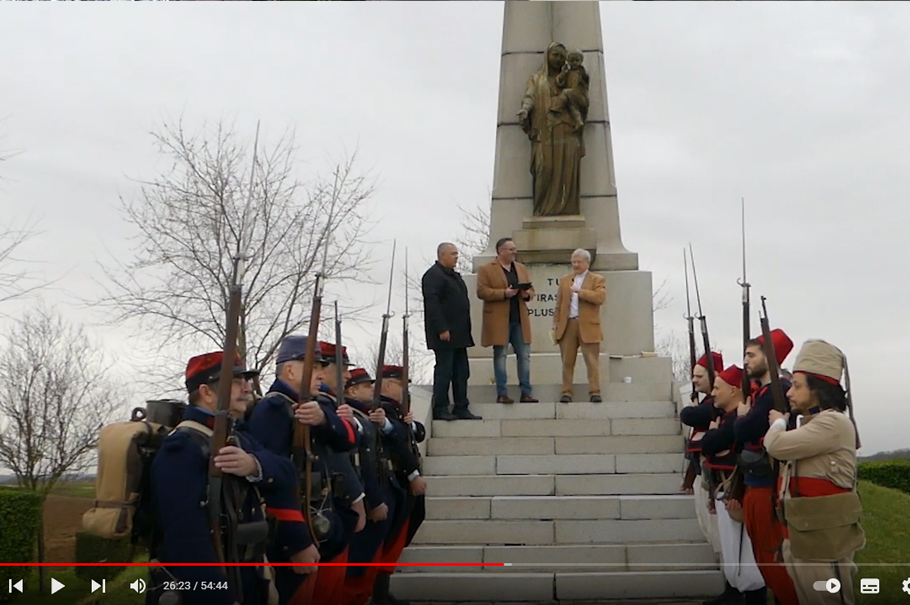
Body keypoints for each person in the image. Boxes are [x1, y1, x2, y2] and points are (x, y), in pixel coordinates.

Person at [147, 351, 298, 605]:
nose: (247, 389)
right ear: (207, 393)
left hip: (245, 576)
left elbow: (287, 473)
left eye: (247, 381)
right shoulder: (182, 449)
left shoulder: (237, 437)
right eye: (237, 382)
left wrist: (253, 464)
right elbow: (187, 543)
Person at [246, 335, 361, 605]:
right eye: (314, 365)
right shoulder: (273, 410)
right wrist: (295, 541)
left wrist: (323, 419)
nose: (321, 372)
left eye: (322, 365)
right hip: (293, 533)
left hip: (319, 524)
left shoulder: (314, 407)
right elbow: (271, 484)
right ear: (289, 370)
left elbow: (349, 440)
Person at [764, 340, 864, 605]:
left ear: (817, 390)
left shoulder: (833, 423)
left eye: (797, 386)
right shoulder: (812, 425)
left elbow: (775, 445)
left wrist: (779, 423)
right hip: (802, 537)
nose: (789, 393)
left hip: (823, 542)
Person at [735, 329, 799, 605]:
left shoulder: (778, 390)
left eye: (751, 355)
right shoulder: (761, 392)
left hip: (767, 486)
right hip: (756, 483)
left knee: (774, 559)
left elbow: (745, 429)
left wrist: (743, 418)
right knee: (765, 559)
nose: (746, 361)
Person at [700, 364, 765, 605]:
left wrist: (713, 436)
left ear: (735, 390)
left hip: (740, 492)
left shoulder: (740, 419)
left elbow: (711, 444)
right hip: (725, 491)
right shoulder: (728, 418)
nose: (713, 393)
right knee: (732, 552)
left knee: (748, 559)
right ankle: (734, 592)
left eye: (718, 388)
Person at [341, 367, 404, 605]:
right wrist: (374, 500)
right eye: (367, 385)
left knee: (369, 558)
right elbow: (361, 461)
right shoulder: (355, 416)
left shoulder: (368, 415)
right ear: (353, 390)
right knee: (356, 564)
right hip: (364, 494)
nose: (372, 389)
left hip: (381, 487)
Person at [371, 364, 427, 605]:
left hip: (401, 482)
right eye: (401, 384)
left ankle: (382, 592)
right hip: (395, 480)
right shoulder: (382, 409)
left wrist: (411, 424)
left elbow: (418, 433)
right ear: (389, 385)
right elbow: (397, 443)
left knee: (397, 537)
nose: (405, 389)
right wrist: (412, 474)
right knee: (389, 539)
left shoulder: (395, 409)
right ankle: (378, 594)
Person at [518, 41, 587, 216]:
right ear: (547, 56)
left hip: (567, 130)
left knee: (566, 174)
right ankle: (542, 211)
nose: (558, 59)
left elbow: (583, 100)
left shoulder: (571, 77)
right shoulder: (537, 79)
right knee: (545, 169)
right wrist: (525, 110)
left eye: (561, 57)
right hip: (543, 132)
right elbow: (529, 96)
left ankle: (567, 211)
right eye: (554, 55)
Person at [421, 242, 480, 420]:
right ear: (442, 255)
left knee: (462, 371)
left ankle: (461, 406)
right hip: (445, 334)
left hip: (460, 334)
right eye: (453, 254)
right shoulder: (433, 276)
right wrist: (442, 328)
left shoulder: (454, 276)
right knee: (444, 371)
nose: (456, 257)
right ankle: (441, 408)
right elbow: (433, 305)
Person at [476, 237, 538, 404]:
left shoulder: (521, 268)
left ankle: (526, 393)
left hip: (519, 319)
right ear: (500, 251)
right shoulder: (486, 269)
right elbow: (481, 291)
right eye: (510, 249)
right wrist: (503, 293)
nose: (514, 252)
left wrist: (527, 295)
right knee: (500, 355)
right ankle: (502, 393)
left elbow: (531, 290)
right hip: (499, 320)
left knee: (524, 355)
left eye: (514, 249)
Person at [679, 351, 723, 554]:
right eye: (693, 376)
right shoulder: (706, 402)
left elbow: (688, 415)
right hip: (702, 473)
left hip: (714, 476)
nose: (694, 380)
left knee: (719, 533)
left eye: (700, 376)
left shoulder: (714, 404)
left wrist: (693, 409)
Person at [552, 248, 606, 403]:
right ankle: (566, 392)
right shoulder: (565, 280)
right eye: (573, 262)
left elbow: (600, 298)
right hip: (568, 324)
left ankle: (595, 391)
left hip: (588, 326)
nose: (575, 265)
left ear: (587, 263)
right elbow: (559, 304)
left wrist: (579, 291)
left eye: (578, 262)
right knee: (567, 362)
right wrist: (556, 322)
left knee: (592, 361)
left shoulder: (597, 279)